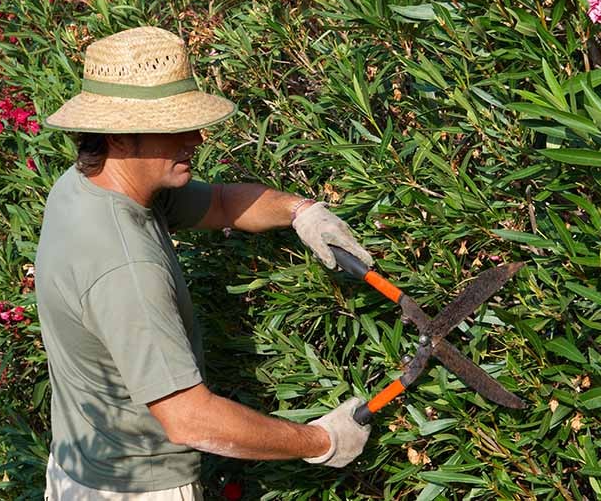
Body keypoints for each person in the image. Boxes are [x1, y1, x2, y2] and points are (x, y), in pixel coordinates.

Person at [37, 26, 372, 500]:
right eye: (174, 127)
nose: (196, 137)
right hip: (137, 490)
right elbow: (190, 419)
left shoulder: (86, 186)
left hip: (79, 466)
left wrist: (301, 212)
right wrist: (320, 441)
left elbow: (218, 203)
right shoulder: (126, 268)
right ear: (118, 137)